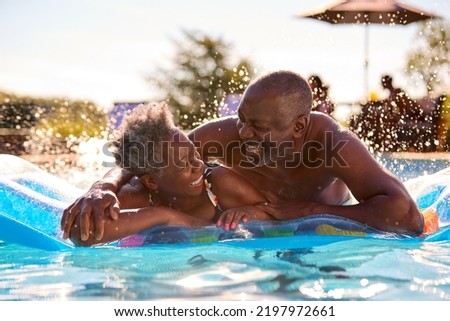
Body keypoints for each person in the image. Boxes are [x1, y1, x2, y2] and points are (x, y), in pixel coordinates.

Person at [62, 70, 424, 241]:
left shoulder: (333, 144)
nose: (244, 133)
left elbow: (408, 217)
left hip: (313, 230)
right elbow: (152, 156)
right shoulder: (229, 135)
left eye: (258, 127)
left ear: (298, 127)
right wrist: (102, 186)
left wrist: (311, 211)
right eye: (242, 120)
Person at [64, 102, 272, 246]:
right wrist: (163, 216)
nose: (198, 166)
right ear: (152, 181)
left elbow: (273, 213)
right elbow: (82, 234)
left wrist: (253, 213)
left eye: (195, 154)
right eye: (184, 165)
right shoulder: (137, 197)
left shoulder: (218, 185)